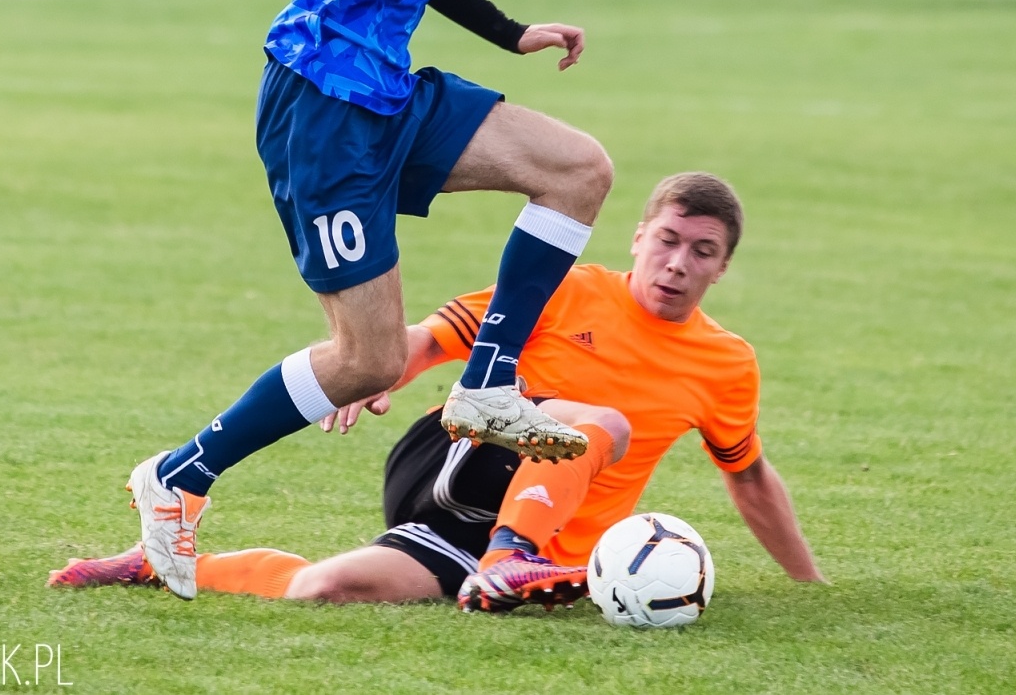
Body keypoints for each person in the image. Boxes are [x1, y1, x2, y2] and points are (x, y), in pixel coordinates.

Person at [126, 0, 671, 600]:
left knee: (578, 169)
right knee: (368, 360)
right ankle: (181, 475)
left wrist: (509, 31)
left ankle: (489, 382)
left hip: (385, 91)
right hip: (324, 102)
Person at [54, 174, 824, 610]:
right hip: (459, 459)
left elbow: (747, 472)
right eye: (668, 239)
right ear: (638, 236)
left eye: (703, 251)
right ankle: (509, 555)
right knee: (604, 420)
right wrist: (367, 368)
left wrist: (808, 584)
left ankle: (165, 561)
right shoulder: (569, 288)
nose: (679, 262)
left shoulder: (727, 362)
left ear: (722, 267)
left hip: (542, 540)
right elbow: (432, 336)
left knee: (325, 588)